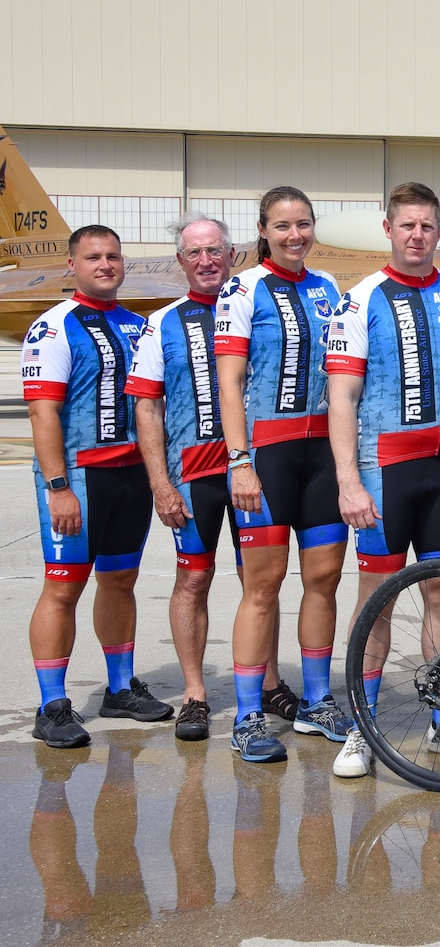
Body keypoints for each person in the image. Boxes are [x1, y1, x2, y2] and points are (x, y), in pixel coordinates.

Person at [327, 181, 440, 777]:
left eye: (427, 226)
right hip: (384, 471)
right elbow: (343, 398)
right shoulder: (359, 301)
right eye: (407, 225)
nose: (417, 235)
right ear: (389, 229)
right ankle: (361, 724)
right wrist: (348, 481)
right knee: (376, 600)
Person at [127, 215, 291, 741]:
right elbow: (147, 408)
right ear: (181, 262)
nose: (205, 261)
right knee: (193, 578)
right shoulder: (165, 322)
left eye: (215, 250)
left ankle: (269, 682)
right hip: (193, 474)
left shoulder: (255, 307)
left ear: (232, 255)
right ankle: (195, 694)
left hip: (255, 471)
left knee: (260, 580)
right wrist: (160, 484)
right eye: (194, 253)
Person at [23, 224, 169, 747]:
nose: (105, 264)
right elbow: (43, 414)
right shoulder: (54, 327)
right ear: (72, 265)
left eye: (112, 256)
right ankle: (52, 704)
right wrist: (58, 485)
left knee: (120, 582)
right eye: (93, 257)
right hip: (80, 479)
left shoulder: (139, 325)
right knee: (63, 588)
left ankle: (119, 687)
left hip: (130, 477)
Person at [216, 187, 348, 764]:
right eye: (282, 226)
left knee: (323, 581)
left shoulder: (327, 288)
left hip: (321, 457)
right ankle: (248, 714)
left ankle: (317, 699)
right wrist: (239, 461)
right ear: (263, 230)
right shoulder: (241, 288)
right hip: (266, 458)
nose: (294, 235)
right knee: (262, 586)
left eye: (303, 224)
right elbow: (230, 383)